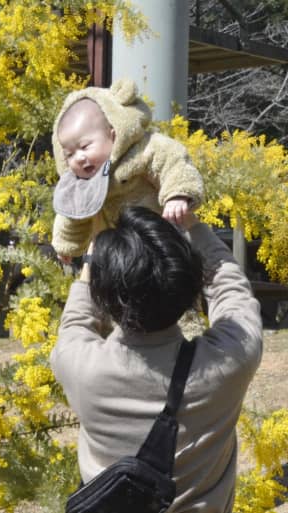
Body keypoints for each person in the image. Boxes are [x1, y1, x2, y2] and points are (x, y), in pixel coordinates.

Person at [51, 206, 262, 512]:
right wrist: (191, 224)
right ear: (191, 284)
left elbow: (76, 319)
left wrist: (90, 265)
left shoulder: (78, 367)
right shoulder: (229, 362)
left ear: (103, 294)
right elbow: (232, 291)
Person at [51, 79, 205, 263]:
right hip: (121, 255)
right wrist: (65, 245)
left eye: (85, 146)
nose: (79, 158)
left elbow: (173, 161)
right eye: (69, 155)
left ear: (112, 134)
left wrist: (177, 195)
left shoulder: (141, 150)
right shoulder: (80, 182)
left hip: (163, 239)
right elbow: (71, 214)